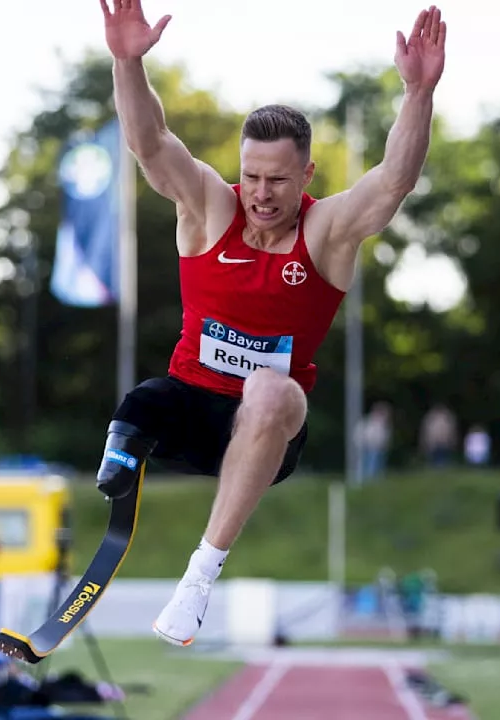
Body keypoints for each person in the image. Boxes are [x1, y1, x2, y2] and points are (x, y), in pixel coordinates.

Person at [93, 0, 447, 648]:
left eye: (278, 181)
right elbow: (148, 143)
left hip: (265, 432)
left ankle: (199, 578)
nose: (261, 193)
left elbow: (395, 180)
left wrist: (417, 93)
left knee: (272, 390)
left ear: (306, 174)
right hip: (186, 405)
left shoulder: (327, 232)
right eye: (252, 176)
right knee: (140, 402)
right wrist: (128, 61)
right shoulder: (207, 207)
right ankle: (123, 454)